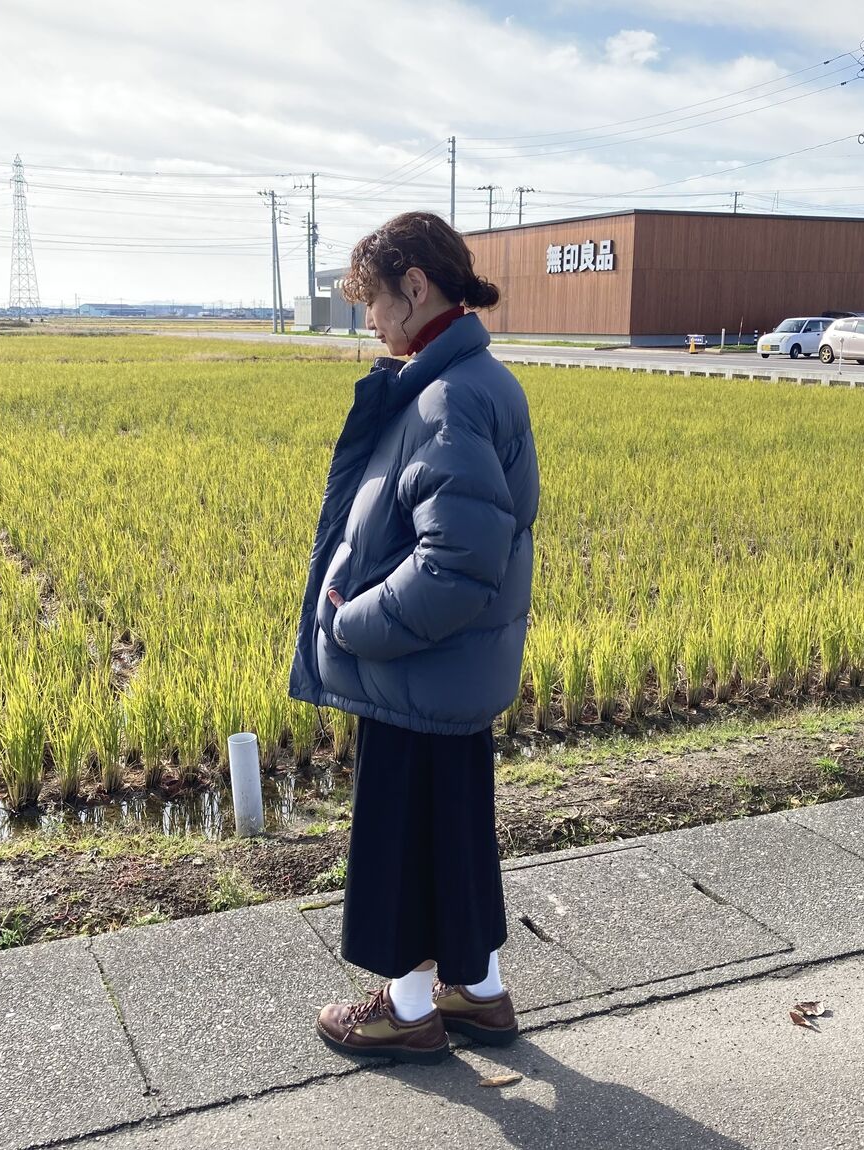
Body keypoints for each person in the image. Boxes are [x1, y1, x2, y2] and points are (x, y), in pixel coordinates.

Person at [289, 211, 539, 1064]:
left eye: (372, 300)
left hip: (412, 665)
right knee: (456, 832)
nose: (368, 319)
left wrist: (351, 623)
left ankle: (403, 1009)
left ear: (417, 288)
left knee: (399, 837)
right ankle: (480, 991)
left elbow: (458, 564)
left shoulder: (446, 397)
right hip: (445, 670)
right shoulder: (467, 380)